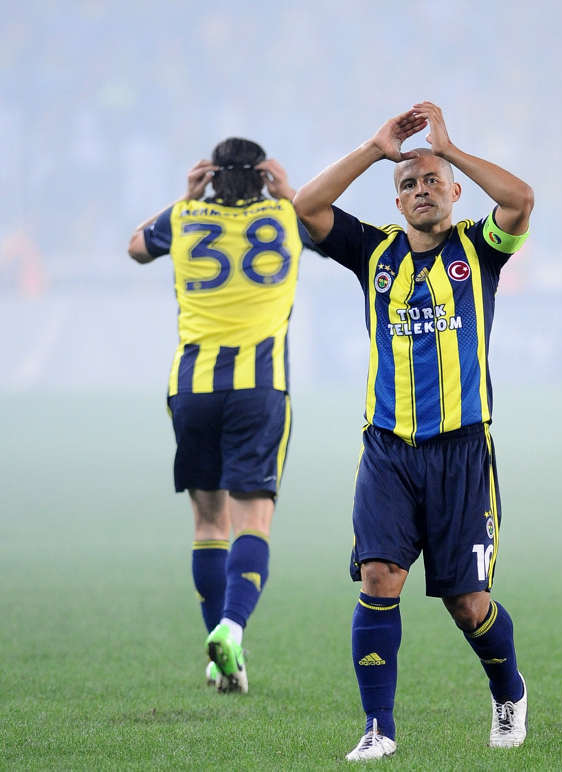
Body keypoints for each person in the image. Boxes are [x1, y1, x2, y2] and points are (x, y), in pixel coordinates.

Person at [293, 102, 534, 759]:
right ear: (396, 203)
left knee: (469, 605)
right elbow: (306, 208)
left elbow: (520, 200)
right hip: (388, 452)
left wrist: (448, 150)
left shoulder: (479, 250)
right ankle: (379, 728)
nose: (421, 189)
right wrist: (375, 150)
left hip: (462, 453)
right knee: (378, 577)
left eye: (432, 181)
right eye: (409, 184)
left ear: (454, 193)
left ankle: (508, 692)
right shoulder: (373, 252)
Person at [128, 138, 325, 692]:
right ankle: (232, 630)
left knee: (209, 525)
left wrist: (185, 197)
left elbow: (136, 246)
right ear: (264, 176)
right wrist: (289, 192)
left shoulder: (184, 217)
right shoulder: (288, 216)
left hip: (192, 388)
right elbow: (326, 229)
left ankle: (222, 664)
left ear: (210, 175)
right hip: (259, 388)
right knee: (253, 523)